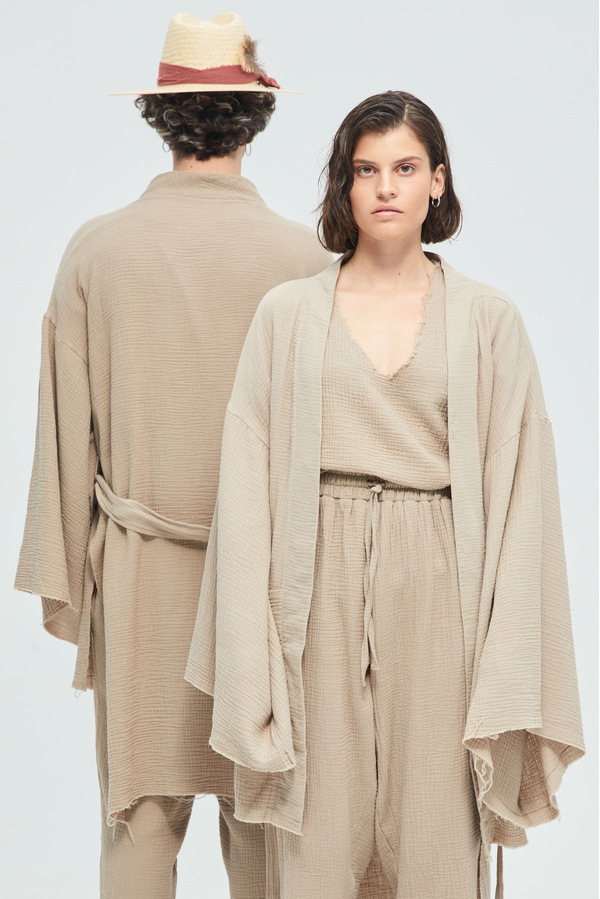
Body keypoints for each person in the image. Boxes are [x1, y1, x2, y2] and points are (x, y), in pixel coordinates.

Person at [185, 90, 585, 899]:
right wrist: (252, 635)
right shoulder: (286, 314)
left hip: (440, 577)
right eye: (366, 170)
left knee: (437, 827)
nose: (385, 187)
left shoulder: (489, 319)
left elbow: (522, 495)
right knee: (317, 827)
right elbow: (247, 481)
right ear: (344, 184)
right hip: (313, 576)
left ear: (438, 180)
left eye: (405, 168)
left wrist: (505, 643)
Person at [14, 11, 330, 899]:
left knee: (140, 822)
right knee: (265, 821)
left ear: (159, 114)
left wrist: (71, 586)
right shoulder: (307, 260)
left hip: (143, 576)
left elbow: (63, 434)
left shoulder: (97, 250)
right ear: (257, 116)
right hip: (267, 587)